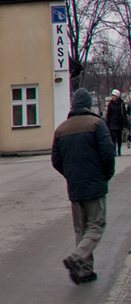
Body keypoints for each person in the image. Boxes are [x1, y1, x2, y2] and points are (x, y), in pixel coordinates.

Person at [53, 88, 116, 284]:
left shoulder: (61, 129)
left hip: (75, 187)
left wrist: (71, 176)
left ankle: (85, 271)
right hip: (94, 184)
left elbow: (56, 161)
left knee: (81, 229)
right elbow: (107, 154)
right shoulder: (97, 124)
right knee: (96, 225)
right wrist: (106, 175)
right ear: (88, 105)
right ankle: (77, 258)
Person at [107, 89, 128, 157]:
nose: (113, 97)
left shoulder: (121, 104)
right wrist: (107, 124)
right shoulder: (110, 104)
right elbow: (108, 114)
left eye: (115, 96)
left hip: (119, 123)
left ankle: (119, 150)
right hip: (112, 123)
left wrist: (125, 123)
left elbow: (124, 114)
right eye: (112, 95)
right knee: (113, 138)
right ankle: (114, 151)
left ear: (118, 96)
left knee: (119, 138)